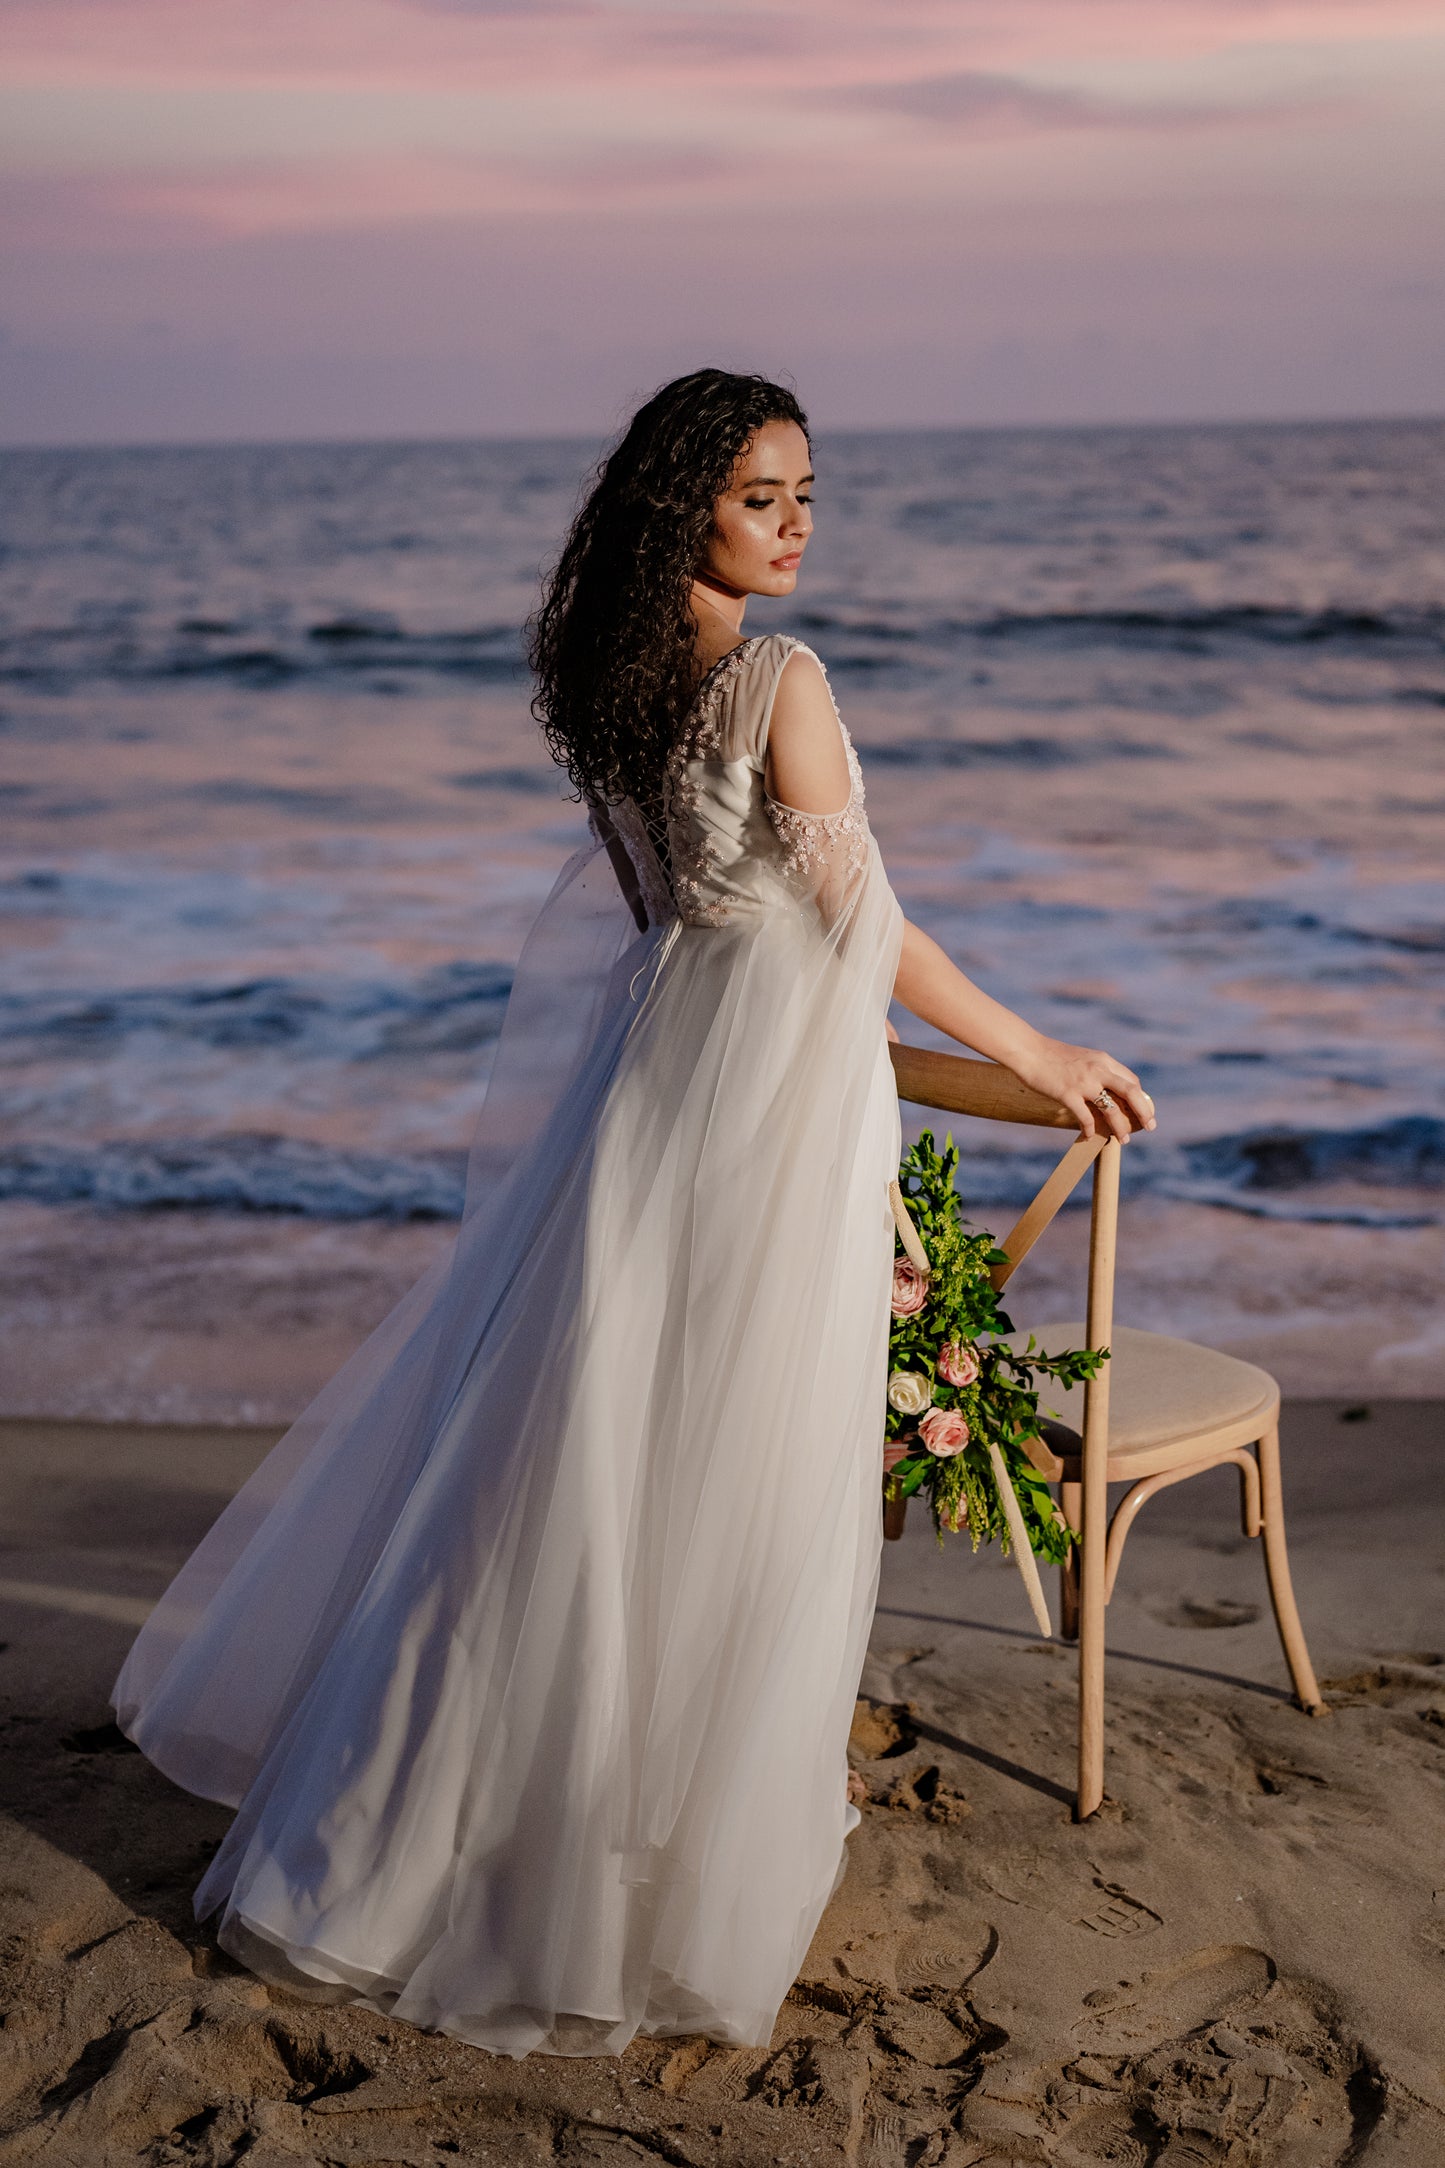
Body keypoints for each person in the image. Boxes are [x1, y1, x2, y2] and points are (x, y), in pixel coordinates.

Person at [112, 369, 1154, 2059]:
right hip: (760, 1123)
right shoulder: (773, 679)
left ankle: (416, 1849)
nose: (798, 522)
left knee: (568, 1475)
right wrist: (1037, 1050)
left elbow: (674, 922)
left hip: (650, 1101)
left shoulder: (608, 686)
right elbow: (854, 927)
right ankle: (640, 1873)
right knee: (726, 1479)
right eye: (763, 495)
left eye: (808, 490)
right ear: (688, 508)